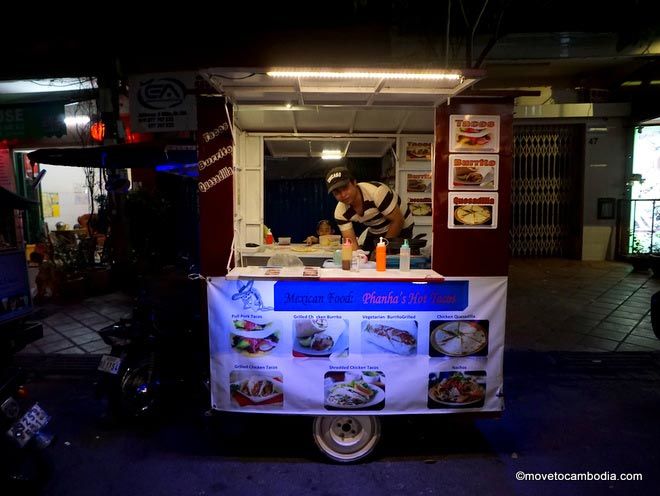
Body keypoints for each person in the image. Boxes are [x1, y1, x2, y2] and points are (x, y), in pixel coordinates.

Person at [325, 166, 414, 253]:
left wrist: (378, 251)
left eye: (345, 188)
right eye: (337, 192)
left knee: (390, 260)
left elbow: (398, 221)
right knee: (365, 258)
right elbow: (351, 245)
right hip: (376, 229)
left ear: (354, 182)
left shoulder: (377, 192)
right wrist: (357, 258)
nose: (343, 195)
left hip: (402, 225)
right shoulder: (340, 212)